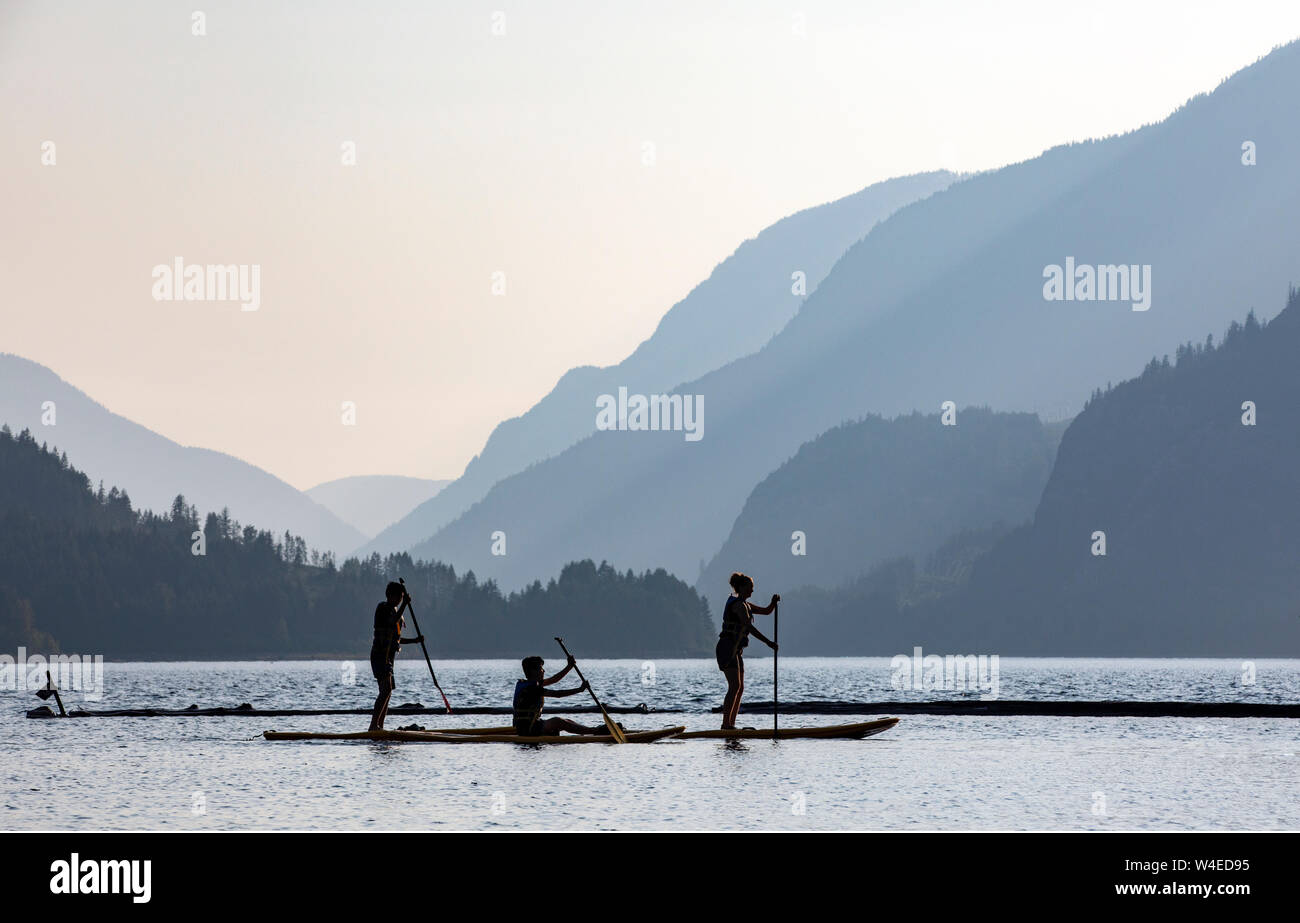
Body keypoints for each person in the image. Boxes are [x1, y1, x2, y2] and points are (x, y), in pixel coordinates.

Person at [716, 572, 779, 730]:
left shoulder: (746, 604)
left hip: (735, 650)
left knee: (740, 687)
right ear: (742, 587)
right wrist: (768, 643)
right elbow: (748, 627)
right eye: (751, 588)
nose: (752, 591)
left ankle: (731, 725)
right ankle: (726, 725)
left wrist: (773, 602)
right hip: (726, 648)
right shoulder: (738, 605)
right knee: (734, 686)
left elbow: (766, 611)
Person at [368, 581, 424, 731]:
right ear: (390, 596)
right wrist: (405, 604)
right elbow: (391, 623)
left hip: (389, 658)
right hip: (380, 656)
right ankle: (374, 726)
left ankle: (380, 726)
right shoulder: (383, 608)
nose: (400, 600)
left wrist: (415, 641)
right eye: (399, 597)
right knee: (385, 690)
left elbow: (396, 639)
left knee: (388, 691)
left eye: (402, 597)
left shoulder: (395, 611)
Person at [512, 655, 610, 736]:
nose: (544, 671)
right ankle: (596, 732)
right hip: (528, 729)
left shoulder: (530, 684)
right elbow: (558, 694)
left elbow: (554, 679)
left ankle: (591, 730)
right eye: (541, 668)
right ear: (533, 671)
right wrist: (579, 690)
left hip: (530, 726)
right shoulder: (531, 689)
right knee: (558, 721)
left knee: (566, 721)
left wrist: (569, 667)